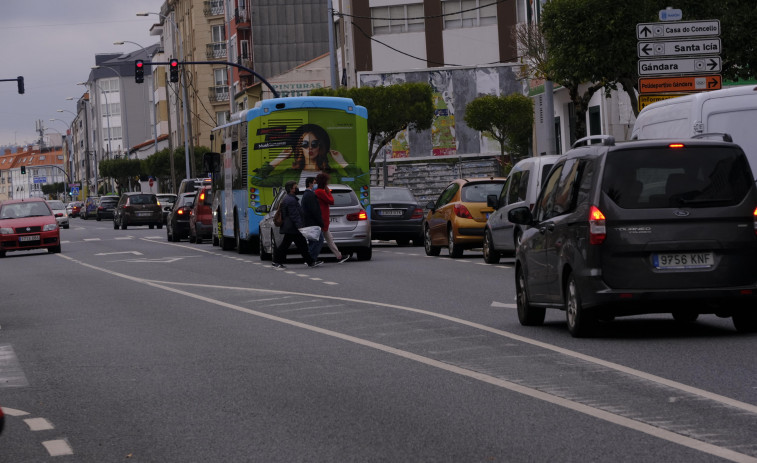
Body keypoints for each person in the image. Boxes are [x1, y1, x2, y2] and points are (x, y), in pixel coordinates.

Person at [252, 124, 353, 188]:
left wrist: (341, 161)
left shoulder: (333, 175)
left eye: (314, 144)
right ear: (301, 148)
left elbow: (359, 181)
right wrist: (279, 159)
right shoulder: (289, 174)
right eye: (305, 144)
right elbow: (257, 180)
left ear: (319, 147)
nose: (310, 148)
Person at [272, 180, 322, 269]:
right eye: (295, 187)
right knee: (288, 245)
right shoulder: (291, 200)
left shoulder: (289, 198)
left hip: (292, 227)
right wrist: (299, 226)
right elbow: (294, 215)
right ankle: (277, 261)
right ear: (291, 189)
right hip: (292, 227)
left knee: (301, 245)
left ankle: (310, 262)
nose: (297, 189)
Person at [314, 173, 351, 263]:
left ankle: (339, 256)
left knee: (328, 239)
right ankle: (311, 257)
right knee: (320, 240)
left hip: (323, 218)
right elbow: (331, 201)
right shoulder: (320, 192)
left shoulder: (318, 191)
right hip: (323, 219)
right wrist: (328, 192)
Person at [301, 176, 325, 261]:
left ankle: (311, 259)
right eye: (315, 183)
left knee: (313, 241)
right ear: (310, 184)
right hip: (312, 223)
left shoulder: (306, 194)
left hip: (309, 222)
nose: (316, 185)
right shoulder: (310, 195)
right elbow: (315, 210)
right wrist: (320, 222)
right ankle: (311, 259)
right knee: (318, 240)